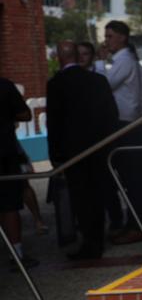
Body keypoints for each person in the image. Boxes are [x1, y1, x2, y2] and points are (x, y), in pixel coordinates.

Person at [47, 41, 119, 260]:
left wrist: (56, 155)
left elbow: (54, 122)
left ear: (59, 57)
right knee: (98, 193)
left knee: (81, 197)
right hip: (98, 147)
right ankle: (100, 234)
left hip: (73, 152)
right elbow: (111, 114)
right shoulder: (98, 81)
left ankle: (90, 241)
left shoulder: (56, 84)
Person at [102, 20, 142, 240]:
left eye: (109, 36)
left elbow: (105, 86)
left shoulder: (124, 61)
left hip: (131, 125)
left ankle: (138, 225)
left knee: (135, 179)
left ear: (122, 38)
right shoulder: (127, 63)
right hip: (136, 124)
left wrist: (99, 64)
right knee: (139, 178)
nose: (106, 41)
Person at [1, 77, 37, 270]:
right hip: (5, 153)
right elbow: (25, 114)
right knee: (9, 205)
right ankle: (16, 254)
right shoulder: (4, 86)